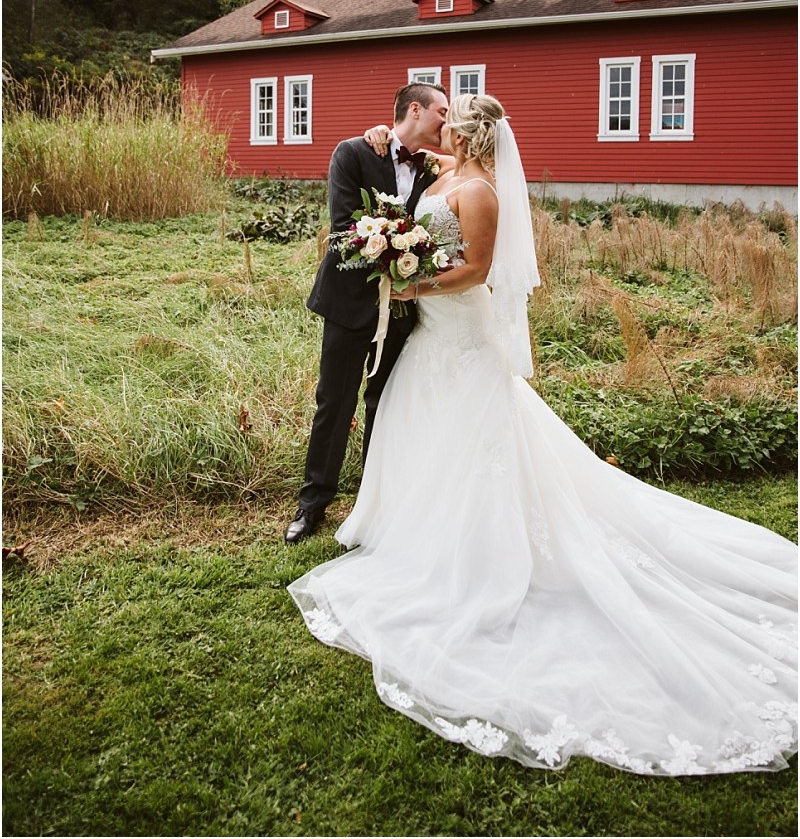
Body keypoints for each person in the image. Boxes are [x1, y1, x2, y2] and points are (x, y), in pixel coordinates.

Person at [288, 93, 798, 775]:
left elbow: (476, 268)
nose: (442, 124)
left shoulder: (480, 190)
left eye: (451, 118)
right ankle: (351, 510)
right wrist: (394, 223)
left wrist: (414, 284)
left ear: (465, 132)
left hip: (449, 323)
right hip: (406, 326)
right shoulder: (413, 161)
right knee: (380, 417)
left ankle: (459, 542)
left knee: (466, 433)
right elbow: (388, 189)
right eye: (435, 112)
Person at [284, 82, 448, 544]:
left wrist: (411, 274)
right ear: (414, 110)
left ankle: (372, 502)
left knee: (384, 404)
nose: (447, 120)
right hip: (349, 303)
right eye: (442, 110)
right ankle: (312, 503)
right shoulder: (354, 152)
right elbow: (342, 230)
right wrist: (394, 254)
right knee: (334, 403)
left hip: (403, 308)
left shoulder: (435, 168)